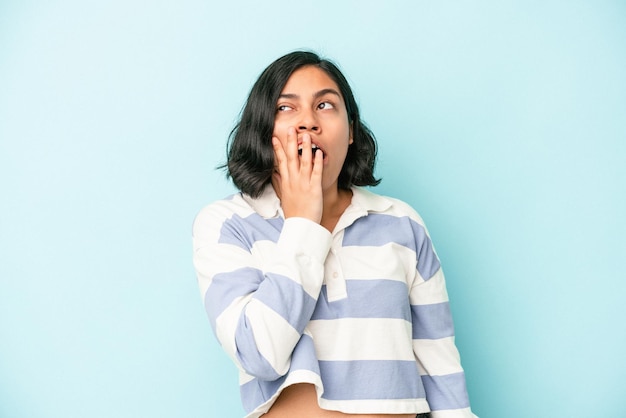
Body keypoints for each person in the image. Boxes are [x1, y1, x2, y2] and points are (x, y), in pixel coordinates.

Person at [192, 50, 477, 418]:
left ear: (352, 131)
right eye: (285, 108)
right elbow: (259, 355)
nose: (308, 122)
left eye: (325, 105)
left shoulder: (400, 222)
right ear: (262, 130)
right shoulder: (227, 224)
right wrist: (303, 225)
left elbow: (441, 369)